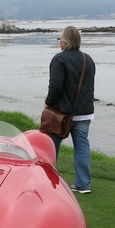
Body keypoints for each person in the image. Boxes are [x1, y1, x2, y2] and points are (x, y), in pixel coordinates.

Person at [45, 25, 96, 194]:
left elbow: (56, 87)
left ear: (65, 43)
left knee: (51, 146)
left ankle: (48, 180)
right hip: (85, 112)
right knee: (82, 145)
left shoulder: (59, 59)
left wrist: (48, 103)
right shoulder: (88, 59)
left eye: (60, 39)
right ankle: (83, 184)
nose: (59, 42)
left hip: (62, 113)